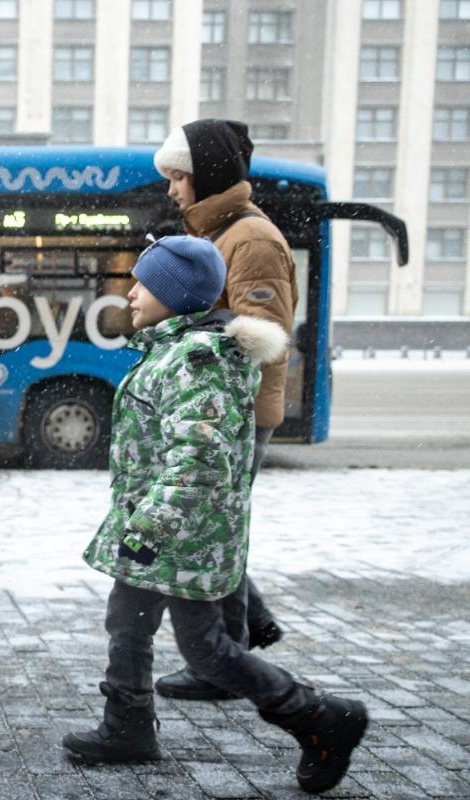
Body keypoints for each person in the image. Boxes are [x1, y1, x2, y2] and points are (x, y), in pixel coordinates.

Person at [62, 235, 367, 795]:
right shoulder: (172, 350)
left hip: (180, 537)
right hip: (164, 531)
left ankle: (319, 717)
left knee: (208, 651)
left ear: (175, 295)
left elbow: (199, 461)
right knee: (127, 622)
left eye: (144, 283)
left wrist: (150, 528)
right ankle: (127, 724)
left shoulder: (196, 361)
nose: (130, 293)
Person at [151, 119, 297, 701]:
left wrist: (192, 328)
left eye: (179, 177)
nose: (171, 190)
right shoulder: (224, 232)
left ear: (207, 175)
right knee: (219, 525)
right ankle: (239, 635)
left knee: (214, 528)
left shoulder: (250, 239)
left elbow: (264, 332)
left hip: (236, 413)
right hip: (224, 409)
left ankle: (225, 660)